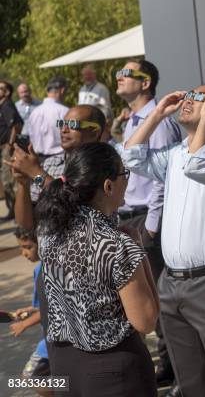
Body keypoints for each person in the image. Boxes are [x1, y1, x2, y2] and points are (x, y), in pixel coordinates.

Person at [121, 80, 205, 397]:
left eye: (199, 97)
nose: (188, 99)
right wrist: (156, 114)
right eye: (189, 94)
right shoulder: (176, 153)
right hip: (171, 281)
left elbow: (198, 162)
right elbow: (131, 158)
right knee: (190, 376)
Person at [36, 142, 159, 396]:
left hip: (65, 366)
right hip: (113, 373)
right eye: (124, 174)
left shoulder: (49, 232)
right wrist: (139, 251)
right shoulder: (115, 244)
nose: (127, 180)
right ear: (108, 185)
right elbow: (145, 320)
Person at [115, 59, 182, 391]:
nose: (119, 78)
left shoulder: (160, 119)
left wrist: (152, 226)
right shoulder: (133, 120)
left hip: (146, 219)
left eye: (127, 75)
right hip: (130, 216)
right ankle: (167, 363)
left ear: (145, 84)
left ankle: (172, 365)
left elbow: (162, 178)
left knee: (157, 296)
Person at [8, 105, 107, 232]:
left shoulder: (104, 164)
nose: (64, 129)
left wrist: (35, 173)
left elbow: (75, 208)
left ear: (94, 132)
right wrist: (23, 183)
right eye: (61, 123)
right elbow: (25, 224)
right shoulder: (50, 163)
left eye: (72, 124)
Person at [9, 227, 52, 397]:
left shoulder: (49, 269)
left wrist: (25, 324)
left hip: (52, 341)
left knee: (29, 376)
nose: (24, 253)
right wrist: (28, 311)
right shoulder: (38, 270)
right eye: (21, 248)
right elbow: (41, 306)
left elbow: (51, 307)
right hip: (51, 339)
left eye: (28, 247)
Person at [28, 75, 69, 158]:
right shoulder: (65, 111)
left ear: (47, 92)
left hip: (38, 160)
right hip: (59, 160)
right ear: (62, 90)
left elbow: (31, 138)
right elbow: (71, 135)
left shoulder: (34, 112)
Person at [0, 80, 24, 220]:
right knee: (6, 182)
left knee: (9, 181)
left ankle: (18, 211)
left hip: (6, 148)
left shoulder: (7, 105)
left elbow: (17, 125)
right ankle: (13, 211)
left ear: (7, 92)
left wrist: (10, 144)